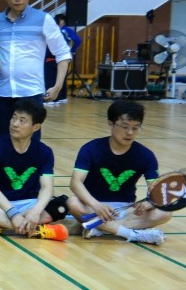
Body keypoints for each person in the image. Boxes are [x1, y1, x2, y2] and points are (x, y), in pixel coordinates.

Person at [66, 100, 168, 245]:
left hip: (126, 210)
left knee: (165, 212)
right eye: (124, 127)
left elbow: (156, 191)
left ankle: (100, 228)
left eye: (136, 128)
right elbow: (75, 183)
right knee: (73, 203)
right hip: (93, 206)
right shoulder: (90, 149)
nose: (130, 132)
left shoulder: (146, 155)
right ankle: (131, 234)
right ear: (110, 124)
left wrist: (150, 203)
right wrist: (96, 205)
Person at [0, 0, 71, 137]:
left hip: (31, 92)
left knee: (31, 141)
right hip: (2, 92)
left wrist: (58, 86)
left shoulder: (44, 19)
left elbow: (62, 53)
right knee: (2, 138)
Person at [0, 98, 69, 241]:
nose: (14, 124)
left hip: (29, 203)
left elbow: (47, 188)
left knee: (62, 206)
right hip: (1, 204)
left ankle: (0, 227)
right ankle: (38, 230)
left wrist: (35, 211)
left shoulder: (44, 152)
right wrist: (13, 214)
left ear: (36, 127)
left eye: (22, 121)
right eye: (14, 118)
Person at [43, 13, 82, 105]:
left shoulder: (63, 31)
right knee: (61, 78)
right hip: (60, 59)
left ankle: (53, 99)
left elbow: (78, 40)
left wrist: (71, 51)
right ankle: (62, 97)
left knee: (52, 79)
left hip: (53, 59)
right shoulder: (62, 31)